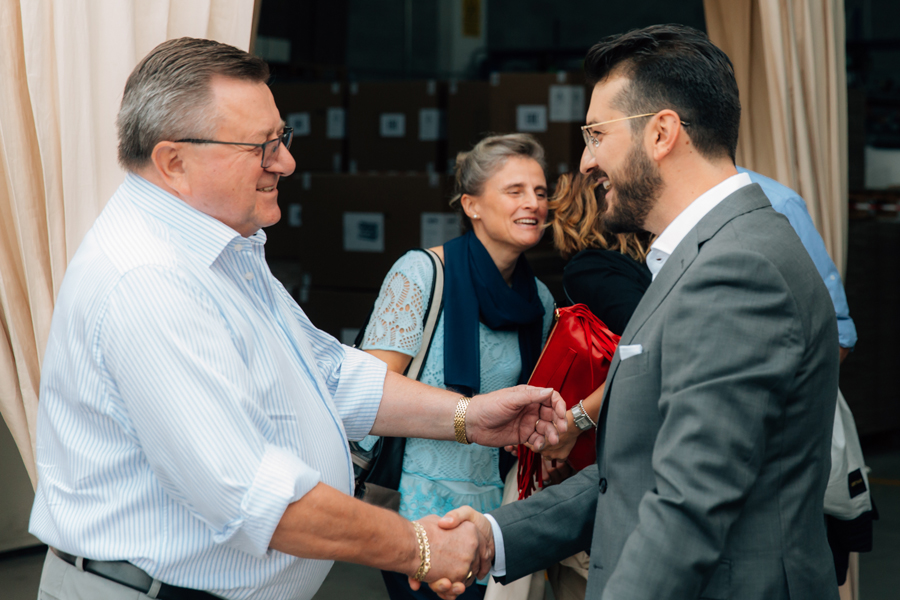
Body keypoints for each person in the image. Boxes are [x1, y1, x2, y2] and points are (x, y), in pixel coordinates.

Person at [28, 37, 568, 600]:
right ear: (174, 162)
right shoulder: (149, 280)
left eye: (282, 138)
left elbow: (330, 374)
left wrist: (468, 416)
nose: (285, 162)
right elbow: (256, 499)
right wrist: (421, 547)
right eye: (262, 147)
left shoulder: (224, 249)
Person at [434, 24, 841, 600]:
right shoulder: (706, 254)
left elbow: (688, 505)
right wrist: (495, 535)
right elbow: (635, 472)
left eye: (597, 134)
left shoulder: (737, 269)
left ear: (662, 133)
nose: (585, 160)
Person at [359, 133, 557, 600]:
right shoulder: (422, 274)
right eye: (515, 191)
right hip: (417, 510)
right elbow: (367, 389)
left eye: (541, 192)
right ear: (472, 205)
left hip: (496, 517)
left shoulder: (541, 302)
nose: (533, 203)